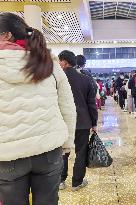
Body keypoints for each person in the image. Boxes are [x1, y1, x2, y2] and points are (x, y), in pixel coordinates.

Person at [0, 13, 76, 205]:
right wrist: (68, 143)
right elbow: (67, 106)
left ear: (7, 35)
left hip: (8, 154)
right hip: (48, 148)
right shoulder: (49, 63)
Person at [58, 50, 98, 191]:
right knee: (81, 151)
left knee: (63, 151)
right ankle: (77, 182)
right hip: (82, 121)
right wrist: (94, 123)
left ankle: (60, 181)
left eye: (59, 61)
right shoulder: (86, 79)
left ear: (64, 62)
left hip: (63, 121)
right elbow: (91, 104)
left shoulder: (58, 78)